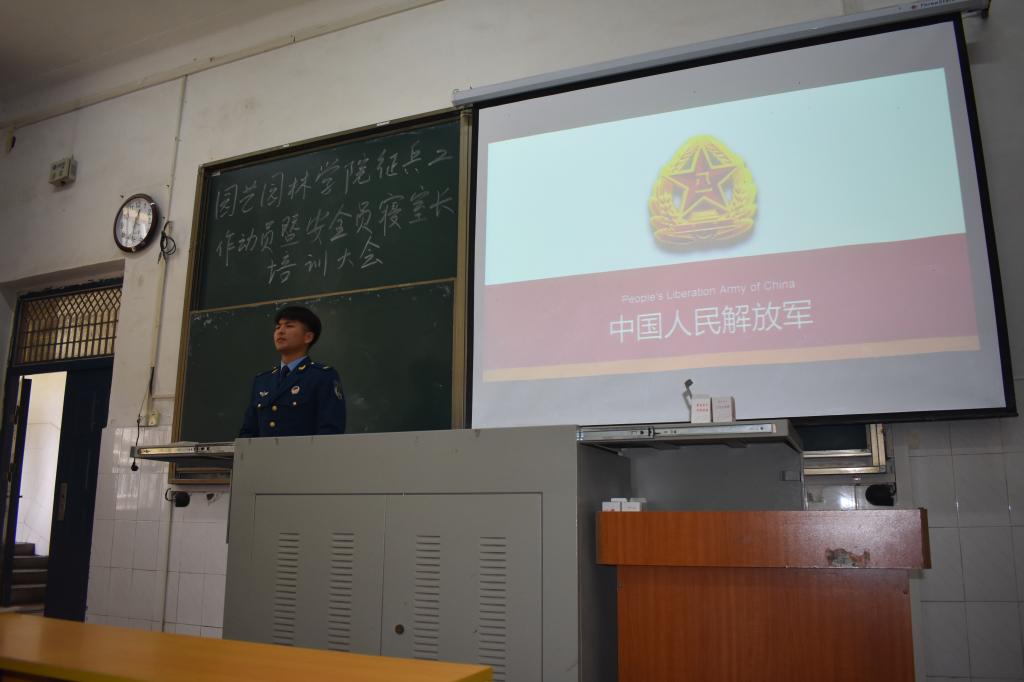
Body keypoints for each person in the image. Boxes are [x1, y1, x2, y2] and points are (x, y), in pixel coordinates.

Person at [238, 305, 346, 437]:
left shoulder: (322, 376)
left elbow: (330, 430)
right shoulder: (262, 380)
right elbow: (248, 432)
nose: (280, 331)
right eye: (278, 327)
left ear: (308, 337)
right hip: (264, 451)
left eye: (289, 326)